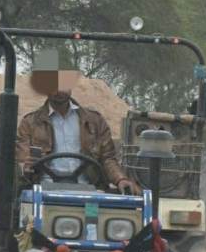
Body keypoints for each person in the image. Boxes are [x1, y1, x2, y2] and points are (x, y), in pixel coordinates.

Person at [16, 50, 139, 193]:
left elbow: (108, 159)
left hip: (89, 190)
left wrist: (120, 179)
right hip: (43, 191)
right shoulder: (29, 123)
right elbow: (22, 160)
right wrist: (26, 167)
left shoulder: (95, 121)